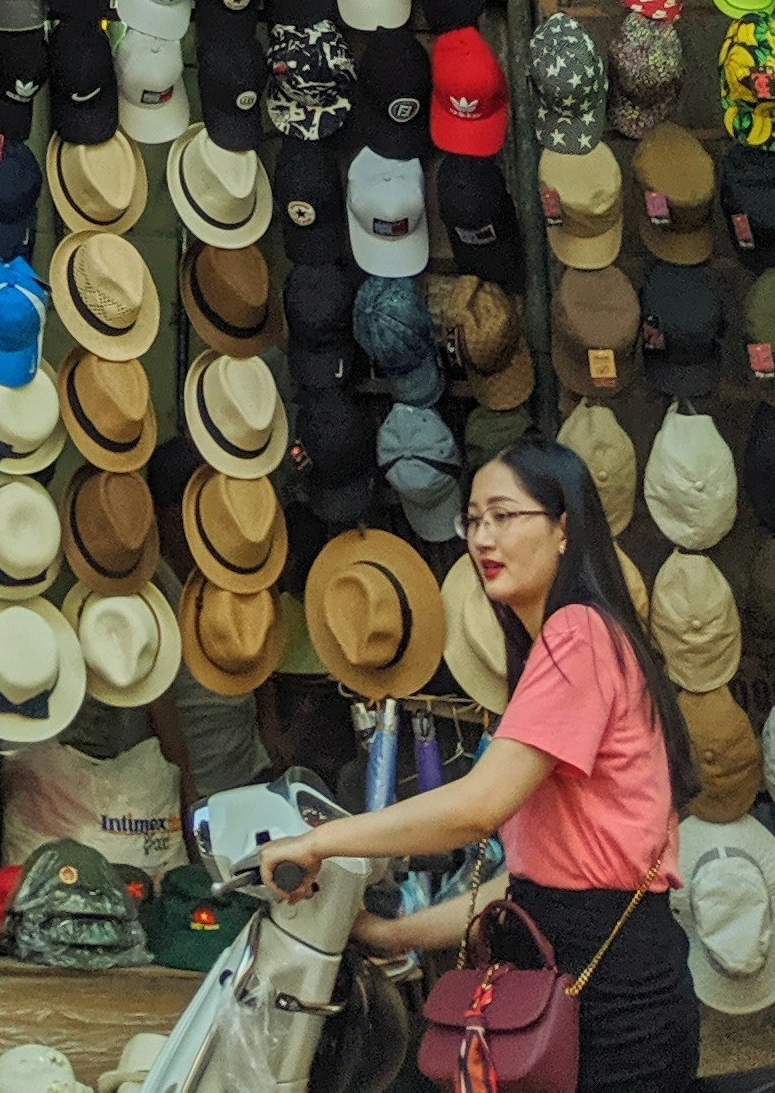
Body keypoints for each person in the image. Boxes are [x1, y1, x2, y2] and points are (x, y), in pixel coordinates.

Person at [262, 445, 700, 1093]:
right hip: (564, 981)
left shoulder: (578, 634)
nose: (483, 537)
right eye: (472, 519)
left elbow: (477, 809)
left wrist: (320, 841)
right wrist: (389, 932)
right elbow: (532, 887)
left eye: (504, 515)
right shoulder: (564, 644)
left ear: (562, 529)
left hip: (610, 1004)